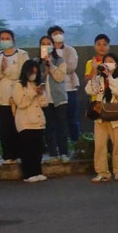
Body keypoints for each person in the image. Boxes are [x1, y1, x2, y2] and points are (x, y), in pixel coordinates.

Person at [85, 52, 118, 182]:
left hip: (117, 116)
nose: (107, 64)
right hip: (100, 115)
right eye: (105, 62)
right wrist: (94, 72)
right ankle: (102, 172)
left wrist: (109, 77)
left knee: (117, 145)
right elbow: (89, 90)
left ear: (116, 64)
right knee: (100, 145)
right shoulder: (99, 78)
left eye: (111, 62)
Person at [0, 29, 28, 165]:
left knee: (18, 126)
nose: (5, 40)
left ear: (13, 39)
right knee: (5, 127)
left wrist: (7, 70)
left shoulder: (22, 54)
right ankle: (8, 155)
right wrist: (0, 70)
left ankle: (21, 154)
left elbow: (22, 73)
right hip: (1, 98)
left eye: (7, 38)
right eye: (2, 38)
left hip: (17, 97)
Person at [12, 59, 50, 183]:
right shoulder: (19, 85)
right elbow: (21, 103)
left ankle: (37, 171)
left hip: (38, 121)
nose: (34, 74)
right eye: (31, 71)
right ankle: (28, 174)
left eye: (36, 71)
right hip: (25, 122)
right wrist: (33, 93)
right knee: (27, 149)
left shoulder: (36, 84)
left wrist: (41, 93)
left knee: (37, 149)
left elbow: (44, 104)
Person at [39, 34, 72, 162]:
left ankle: (64, 153)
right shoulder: (37, 62)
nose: (46, 46)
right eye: (43, 44)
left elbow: (59, 77)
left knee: (62, 127)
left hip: (59, 99)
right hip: (45, 99)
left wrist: (51, 65)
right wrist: (44, 72)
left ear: (53, 46)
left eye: (48, 44)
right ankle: (53, 154)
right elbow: (35, 79)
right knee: (49, 127)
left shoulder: (60, 61)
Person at [47, 25, 81, 144]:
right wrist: (59, 67)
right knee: (56, 120)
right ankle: (59, 145)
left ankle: (76, 143)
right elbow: (45, 68)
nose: (58, 35)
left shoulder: (70, 50)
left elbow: (71, 67)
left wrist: (55, 68)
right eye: (55, 33)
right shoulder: (48, 51)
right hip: (54, 90)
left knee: (72, 118)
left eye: (60, 33)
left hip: (70, 87)